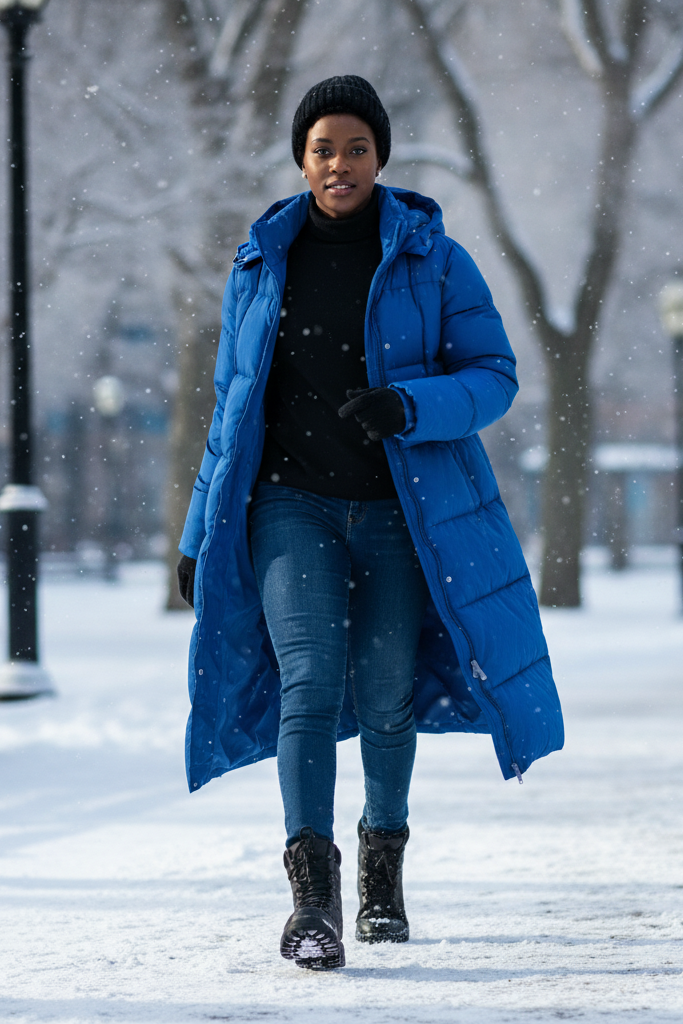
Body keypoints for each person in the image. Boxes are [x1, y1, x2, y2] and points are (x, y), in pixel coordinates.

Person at [176, 75, 563, 972]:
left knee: (387, 693)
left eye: (355, 146)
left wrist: (409, 404)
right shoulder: (261, 262)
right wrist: (199, 530)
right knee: (308, 682)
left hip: (400, 510)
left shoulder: (433, 257)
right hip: (288, 504)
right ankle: (312, 899)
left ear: (379, 154)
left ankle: (381, 868)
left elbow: (494, 374)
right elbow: (232, 407)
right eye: (322, 148)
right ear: (300, 159)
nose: (339, 163)